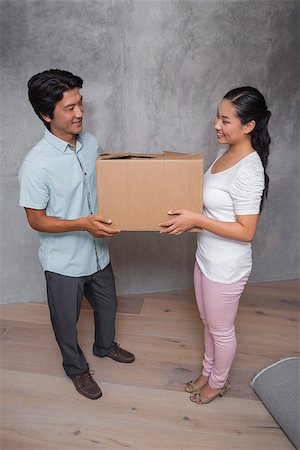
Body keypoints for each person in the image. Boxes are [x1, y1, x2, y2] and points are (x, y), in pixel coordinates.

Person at [18, 69, 135, 400]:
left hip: (98, 252)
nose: (80, 113)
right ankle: (77, 369)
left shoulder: (91, 143)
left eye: (80, 104)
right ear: (45, 115)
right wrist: (82, 223)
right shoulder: (36, 164)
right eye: (69, 108)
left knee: (108, 306)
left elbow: (102, 187)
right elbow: (36, 220)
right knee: (66, 323)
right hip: (64, 262)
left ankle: (104, 346)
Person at [160, 86, 271, 404]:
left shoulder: (249, 170)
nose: (216, 125)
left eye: (225, 120)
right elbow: (212, 205)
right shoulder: (225, 153)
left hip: (226, 266)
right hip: (206, 256)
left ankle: (219, 381)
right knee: (208, 322)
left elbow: (246, 231)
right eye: (217, 116)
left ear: (249, 126)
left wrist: (196, 220)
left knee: (221, 329)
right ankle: (208, 371)